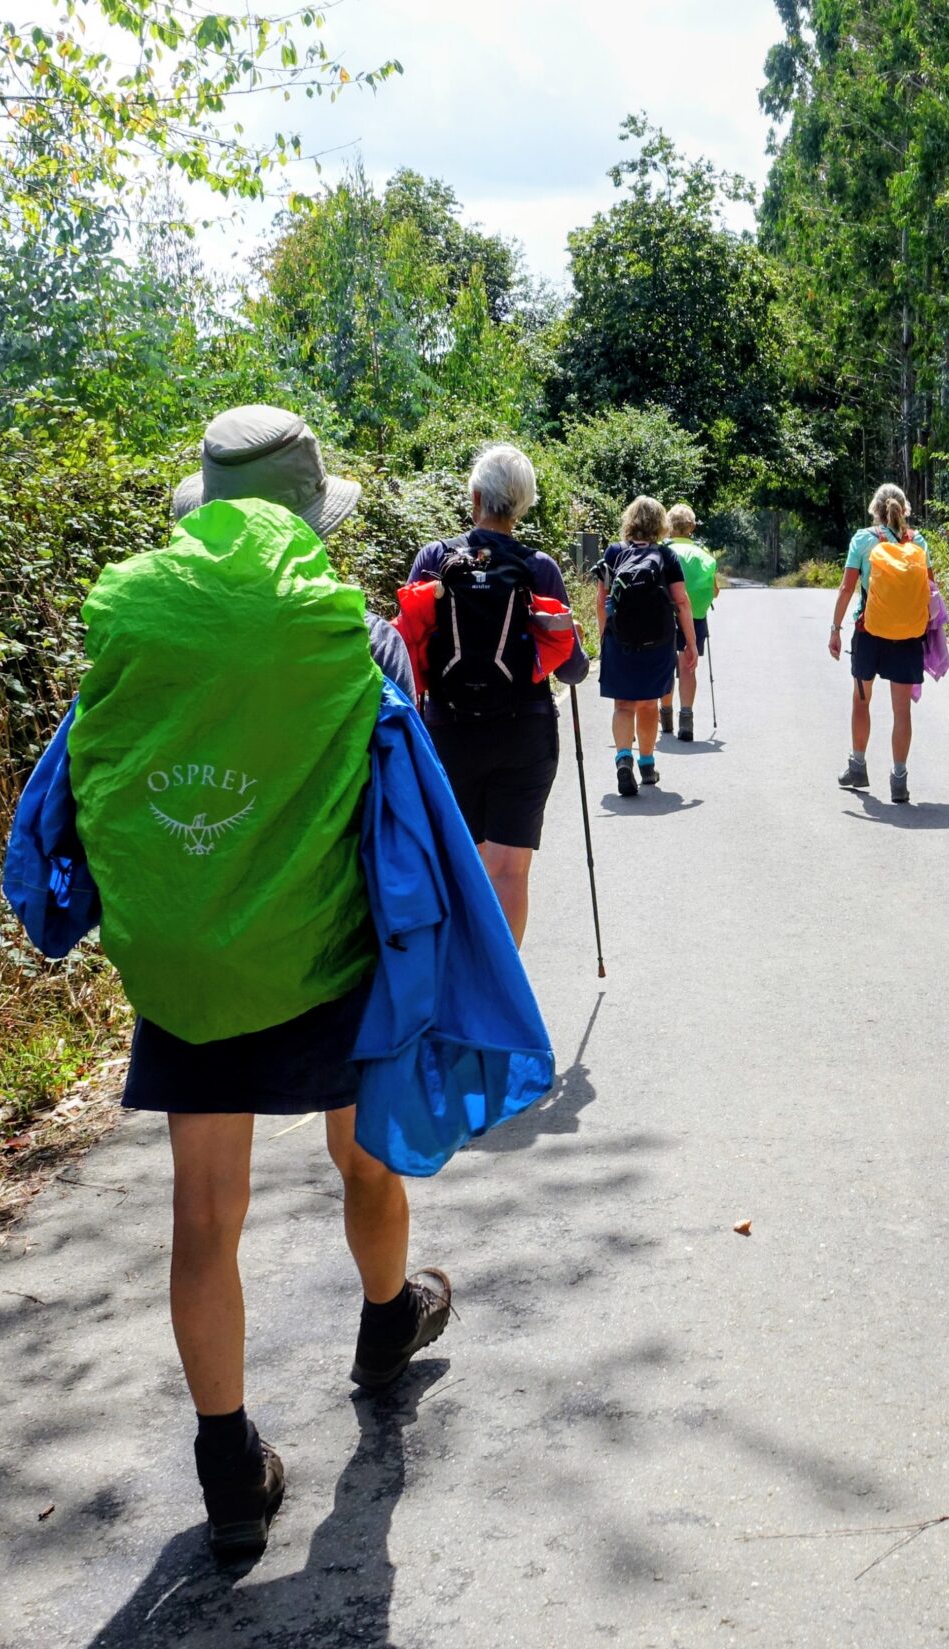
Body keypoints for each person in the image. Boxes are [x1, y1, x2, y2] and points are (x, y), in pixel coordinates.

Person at [65, 405, 455, 1562]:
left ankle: (228, 1470)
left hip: (188, 956)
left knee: (203, 1212)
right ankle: (386, 1324)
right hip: (327, 948)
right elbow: (400, 803)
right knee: (363, 1156)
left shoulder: (138, 629)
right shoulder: (357, 637)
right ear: (313, 522)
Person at [396, 444, 589, 945]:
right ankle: (503, 984)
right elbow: (572, 669)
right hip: (524, 733)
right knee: (509, 872)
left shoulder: (435, 559)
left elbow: (403, 651)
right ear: (522, 504)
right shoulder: (539, 567)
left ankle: (460, 978)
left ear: (476, 497)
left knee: (458, 866)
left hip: (448, 732)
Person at [829, 482, 930, 804]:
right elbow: (931, 590)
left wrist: (835, 629)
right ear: (905, 509)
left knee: (861, 701)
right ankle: (899, 780)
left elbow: (847, 588)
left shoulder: (863, 540)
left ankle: (857, 766)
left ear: (875, 510)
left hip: (869, 632)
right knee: (902, 710)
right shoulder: (918, 542)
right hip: (908, 637)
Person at [593, 495, 698, 797]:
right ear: (660, 523)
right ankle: (647, 765)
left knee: (623, 704)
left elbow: (601, 601)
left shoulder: (614, 552)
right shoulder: (666, 556)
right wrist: (690, 643)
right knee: (649, 703)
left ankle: (623, 757)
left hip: (620, 640)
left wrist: (604, 637)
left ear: (630, 520)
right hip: (658, 642)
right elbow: (682, 602)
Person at [658, 503, 722, 742]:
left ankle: (665, 716)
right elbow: (715, 591)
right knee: (688, 666)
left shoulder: (661, 551)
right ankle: (686, 719)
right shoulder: (703, 554)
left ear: (668, 526)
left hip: (664, 615)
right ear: (692, 527)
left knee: (665, 665)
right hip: (695, 617)